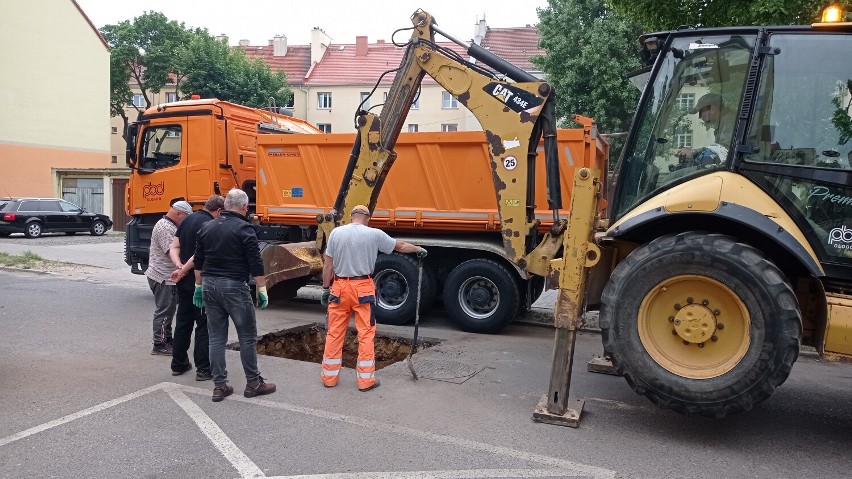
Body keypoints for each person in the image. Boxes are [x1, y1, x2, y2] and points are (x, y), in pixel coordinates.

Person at [319, 204, 427, 391]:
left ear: (352, 216)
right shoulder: (374, 234)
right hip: (362, 288)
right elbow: (400, 246)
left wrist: (326, 288)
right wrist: (418, 249)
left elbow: (328, 265)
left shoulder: (336, 233)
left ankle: (329, 378)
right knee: (366, 334)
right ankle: (365, 381)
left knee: (335, 333)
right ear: (367, 218)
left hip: (340, 287)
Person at [192, 188, 276, 402]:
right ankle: (253, 383)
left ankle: (220, 386)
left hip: (210, 285)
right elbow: (255, 261)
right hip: (234, 287)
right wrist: (262, 288)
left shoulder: (206, 227)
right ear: (245, 207)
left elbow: (199, 260)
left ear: (225, 205)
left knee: (216, 337)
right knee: (246, 337)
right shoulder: (244, 228)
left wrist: (198, 286)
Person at [168, 195, 224, 380]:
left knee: (183, 321)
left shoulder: (188, 219)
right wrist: (183, 270)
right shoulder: (210, 225)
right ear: (218, 211)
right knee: (203, 324)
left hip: (183, 283)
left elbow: (174, 246)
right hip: (199, 281)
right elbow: (198, 255)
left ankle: (179, 363)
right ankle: (203, 368)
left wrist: (177, 265)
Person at [146, 200, 192, 355]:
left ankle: (168, 339)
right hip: (163, 276)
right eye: (186, 217)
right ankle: (159, 344)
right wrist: (182, 267)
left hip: (166, 275)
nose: (187, 221)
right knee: (165, 310)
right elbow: (171, 251)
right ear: (178, 213)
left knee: (169, 309)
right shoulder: (165, 227)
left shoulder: (170, 225)